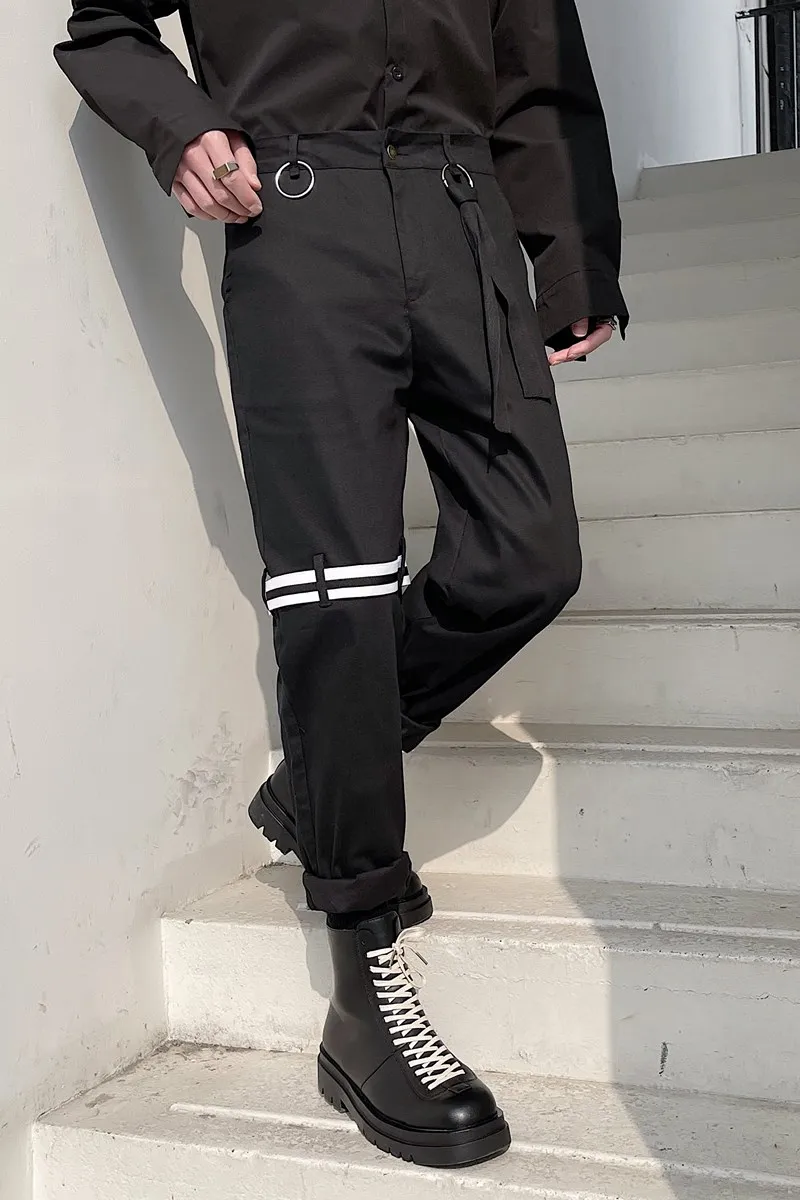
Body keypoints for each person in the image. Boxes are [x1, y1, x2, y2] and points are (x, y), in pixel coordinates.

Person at [55, 0, 627, 1168]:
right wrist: (183, 128)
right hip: (298, 214)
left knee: (529, 553)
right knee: (338, 595)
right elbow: (104, 25)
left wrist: (567, 255)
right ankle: (363, 988)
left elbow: (537, 69)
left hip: (463, 214)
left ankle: (324, 774)